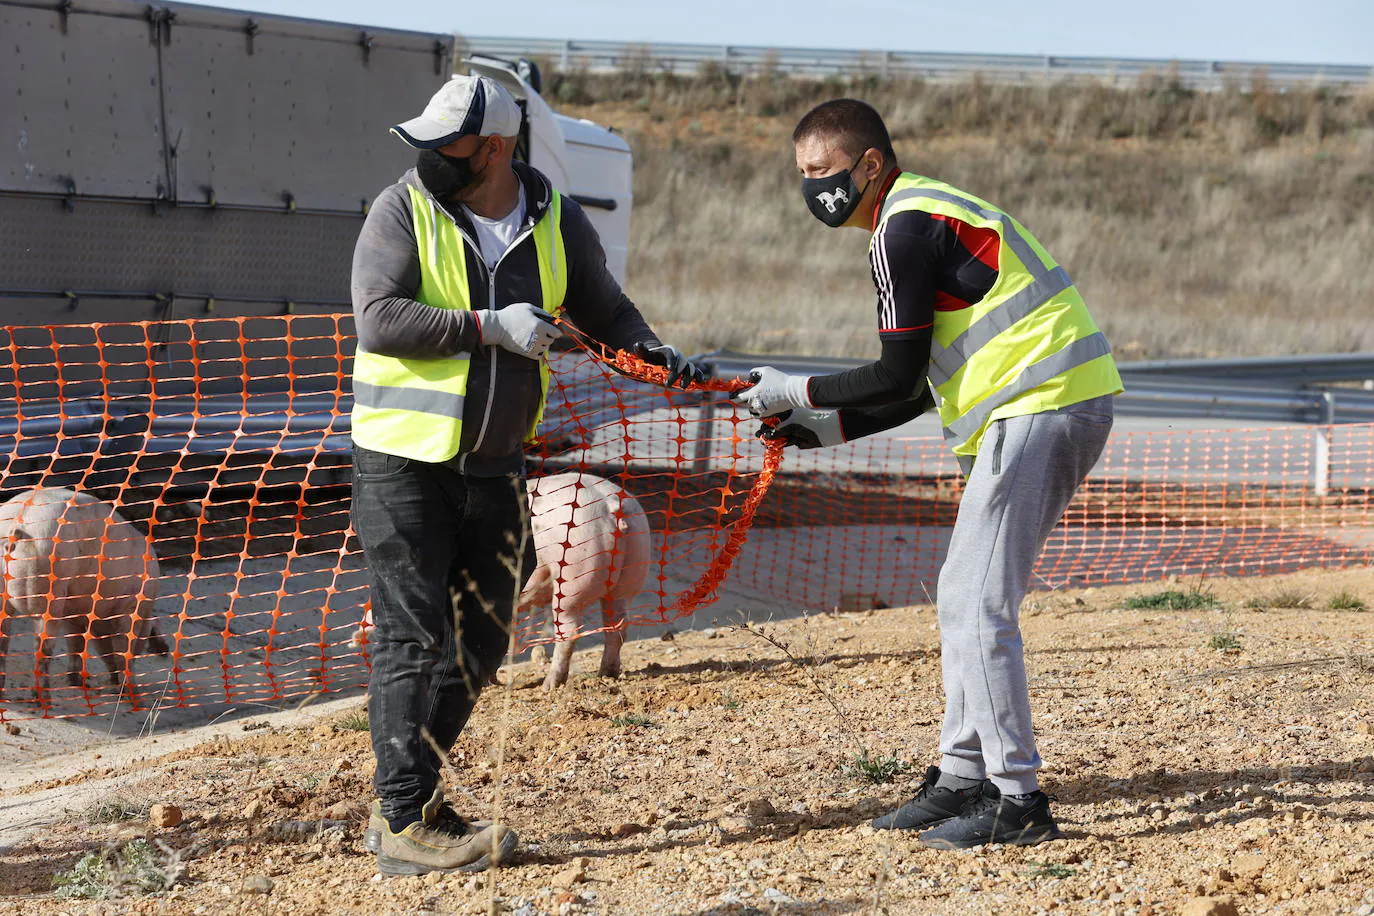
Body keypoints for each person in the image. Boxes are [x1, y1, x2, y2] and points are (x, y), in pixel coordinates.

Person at [734, 99, 1122, 849]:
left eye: (822, 171)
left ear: (869, 164)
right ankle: (959, 778)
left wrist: (795, 390)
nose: (813, 187)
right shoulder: (918, 215)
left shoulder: (901, 228)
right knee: (962, 596)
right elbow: (912, 388)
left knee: (979, 605)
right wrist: (825, 428)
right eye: (802, 175)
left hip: (1038, 403)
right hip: (1043, 404)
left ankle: (1017, 799)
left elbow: (895, 368)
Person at [349, 74, 704, 876]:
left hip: (495, 463)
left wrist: (652, 356)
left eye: (447, 147)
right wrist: (489, 329)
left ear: (495, 149)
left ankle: (412, 799)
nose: (428, 158)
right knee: (412, 637)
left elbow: (607, 309)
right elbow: (378, 317)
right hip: (402, 460)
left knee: (479, 643)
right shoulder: (400, 209)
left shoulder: (555, 219)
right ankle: (403, 817)